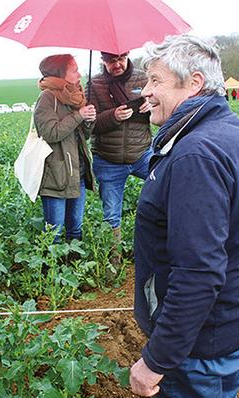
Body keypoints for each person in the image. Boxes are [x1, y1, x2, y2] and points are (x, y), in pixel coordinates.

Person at [129, 34, 239, 398]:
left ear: (193, 83)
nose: (144, 90)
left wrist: (157, 360)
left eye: (154, 81)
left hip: (199, 335)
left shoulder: (195, 155)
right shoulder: (233, 131)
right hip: (235, 317)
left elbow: (198, 273)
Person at [86, 51, 152, 262]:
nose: (118, 65)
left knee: (167, 189)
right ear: (103, 61)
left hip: (142, 154)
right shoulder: (94, 84)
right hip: (108, 159)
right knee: (111, 214)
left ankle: (157, 246)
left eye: (121, 59)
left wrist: (152, 106)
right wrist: (112, 117)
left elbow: (163, 108)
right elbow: (90, 126)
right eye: (112, 61)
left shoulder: (144, 78)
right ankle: (114, 260)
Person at [33, 54, 96, 243]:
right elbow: (50, 133)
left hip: (78, 172)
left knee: (75, 228)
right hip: (56, 176)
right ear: (60, 73)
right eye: (74, 69)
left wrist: (89, 121)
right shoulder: (47, 98)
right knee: (55, 233)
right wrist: (79, 116)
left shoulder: (75, 97)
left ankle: (72, 270)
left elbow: (82, 136)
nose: (79, 74)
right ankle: (52, 271)